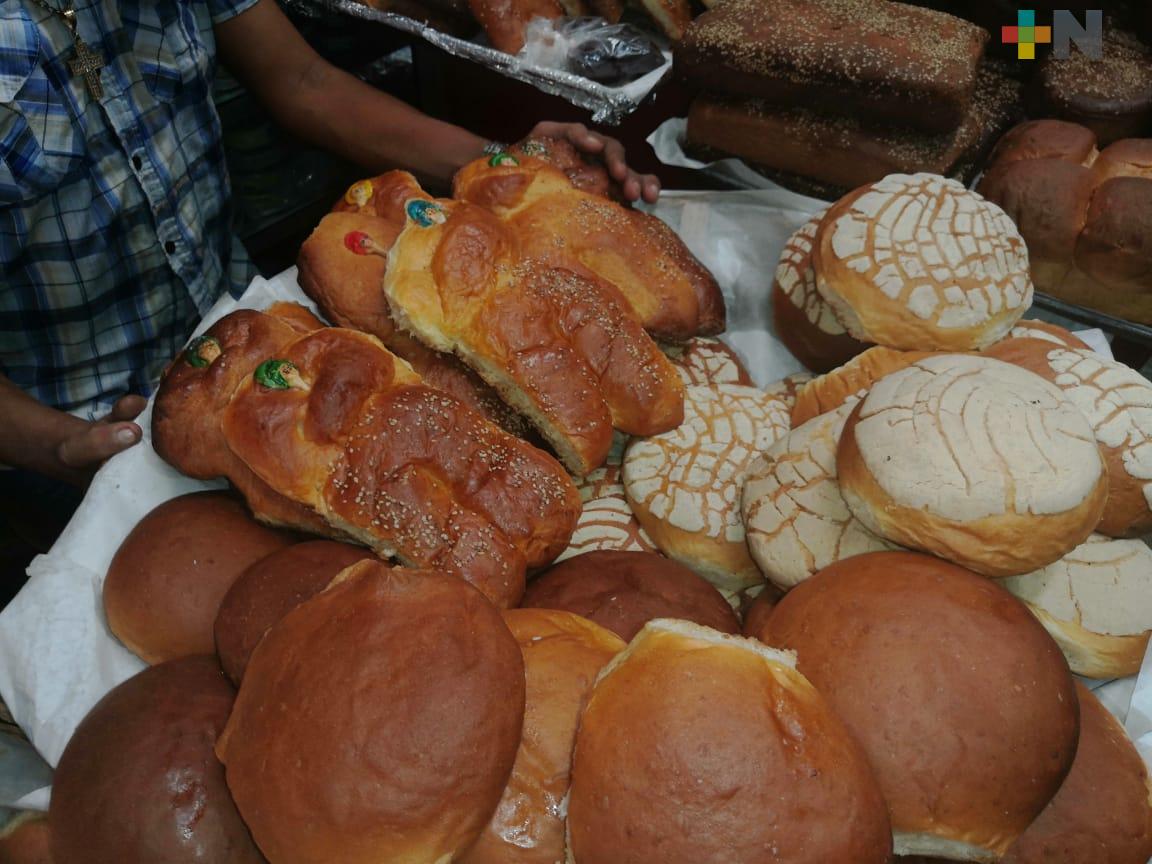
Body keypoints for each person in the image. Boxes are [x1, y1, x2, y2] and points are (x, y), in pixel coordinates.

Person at [0, 0, 659, 532]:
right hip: (72, 433)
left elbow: (304, 82)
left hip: (263, 348)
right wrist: (57, 446)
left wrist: (501, 162)